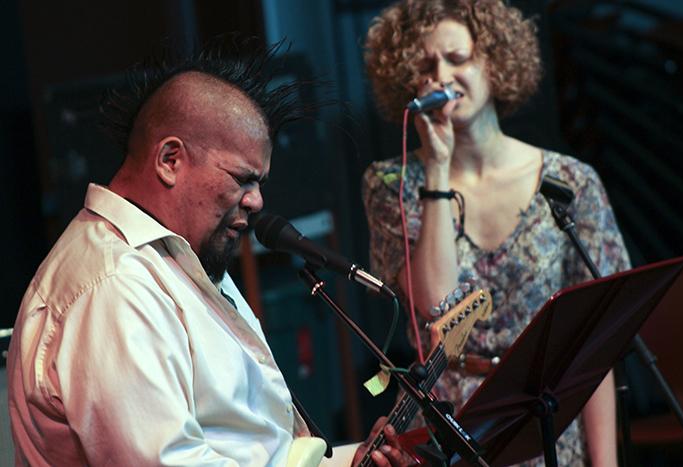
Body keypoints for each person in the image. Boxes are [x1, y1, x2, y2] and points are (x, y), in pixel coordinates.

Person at [8, 37, 411, 466]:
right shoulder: (115, 287)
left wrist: (348, 461)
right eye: (242, 178)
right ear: (170, 160)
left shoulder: (174, 257)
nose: (256, 201)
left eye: (260, 183)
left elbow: (260, 450)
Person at [362, 1, 630, 466]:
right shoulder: (392, 185)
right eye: (425, 67)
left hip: (549, 420)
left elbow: (595, 347)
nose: (440, 76)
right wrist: (438, 169)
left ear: (496, 61)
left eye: (457, 58)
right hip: (447, 429)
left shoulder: (571, 182)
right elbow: (436, 308)